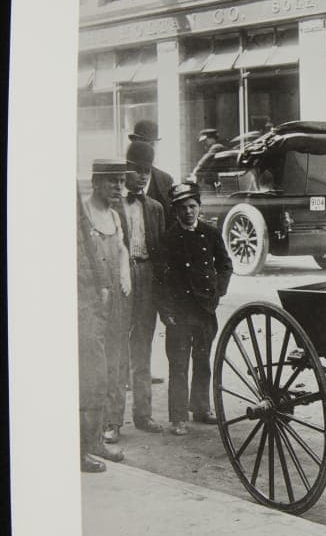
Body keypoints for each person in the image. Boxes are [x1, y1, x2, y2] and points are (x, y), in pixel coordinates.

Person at [159, 182, 233, 435]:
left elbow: (225, 264)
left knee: (202, 361)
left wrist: (218, 290)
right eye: (183, 207)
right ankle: (178, 418)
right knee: (178, 364)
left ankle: (201, 408)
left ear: (199, 207)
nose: (188, 212)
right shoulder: (168, 238)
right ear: (176, 211)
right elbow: (160, 278)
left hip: (204, 310)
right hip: (179, 313)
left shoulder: (210, 233)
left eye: (192, 206)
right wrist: (165, 310)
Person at [111, 140, 167, 437]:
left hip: (148, 277)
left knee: (143, 345)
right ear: (126, 170)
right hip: (123, 274)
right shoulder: (114, 205)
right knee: (119, 346)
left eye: (147, 170)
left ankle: (143, 415)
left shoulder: (156, 208)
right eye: (137, 170)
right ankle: (113, 422)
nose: (143, 176)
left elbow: (160, 252)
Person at [80, 160, 132, 458]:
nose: (118, 187)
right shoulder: (83, 214)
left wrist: (124, 275)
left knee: (113, 364)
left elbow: (122, 249)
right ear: (96, 181)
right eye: (113, 181)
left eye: (121, 181)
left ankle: (105, 430)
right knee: (93, 370)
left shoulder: (113, 214)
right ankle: (89, 441)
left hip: (115, 300)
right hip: (90, 300)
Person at [129, 119, 176, 221]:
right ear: (133, 144)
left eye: (151, 145)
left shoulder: (165, 180)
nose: (147, 150)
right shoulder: (121, 177)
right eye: (142, 144)